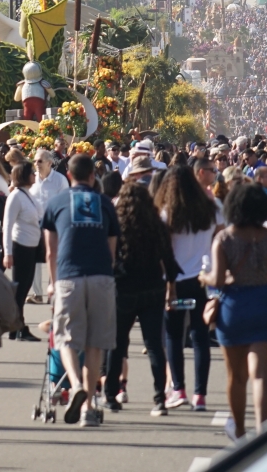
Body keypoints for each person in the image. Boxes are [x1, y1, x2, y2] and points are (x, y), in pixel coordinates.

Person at [41, 153, 120, 428]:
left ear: (70, 176)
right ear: (92, 176)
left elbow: (50, 251)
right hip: (100, 276)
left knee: (65, 338)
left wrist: (52, 283)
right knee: (95, 343)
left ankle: (74, 385)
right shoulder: (106, 204)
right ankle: (88, 409)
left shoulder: (56, 203)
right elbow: (112, 251)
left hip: (68, 276)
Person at [200, 183, 267, 442]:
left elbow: (218, 280)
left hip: (234, 307)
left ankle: (238, 429)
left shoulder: (224, 238)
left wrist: (204, 277)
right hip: (265, 304)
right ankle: (263, 430)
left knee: (236, 377)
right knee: (262, 376)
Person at [103, 182, 179, 417]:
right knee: (154, 344)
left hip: (123, 287)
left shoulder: (118, 224)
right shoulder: (156, 225)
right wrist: (171, 287)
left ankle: (111, 395)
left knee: (117, 344)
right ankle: (159, 397)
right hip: (152, 288)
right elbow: (169, 259)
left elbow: (110, 256)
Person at [155, 165, 220, 412]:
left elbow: (167, 252)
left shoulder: (167, 213)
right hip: (201, 281)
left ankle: (178, 388)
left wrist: (169, 285)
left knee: (173, 335)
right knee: (201, 336)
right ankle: (200, 395)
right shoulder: (209, 210)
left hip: (175, 282)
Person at [1, 163, 43, 341]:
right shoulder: (16, 196)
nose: (35, 175)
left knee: (24, 288)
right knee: (20, 289)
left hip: (32, 247)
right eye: (31, 173)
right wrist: (8, 253)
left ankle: (14, 327)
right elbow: (7, 225)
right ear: (24, 175)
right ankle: (20, 328)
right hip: (20, 247)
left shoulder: (29, 195)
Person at [29, 150, 69, 304]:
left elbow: (65, 203)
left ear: (49, 163)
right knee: (35, 261)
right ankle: (37, 294)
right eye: (34, 161)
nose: (36, 164)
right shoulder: (32, 179)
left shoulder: (60, 180)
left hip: (54, 226)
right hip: (35, 225)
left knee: (54, 258)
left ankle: (54, 290)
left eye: (39, 161)